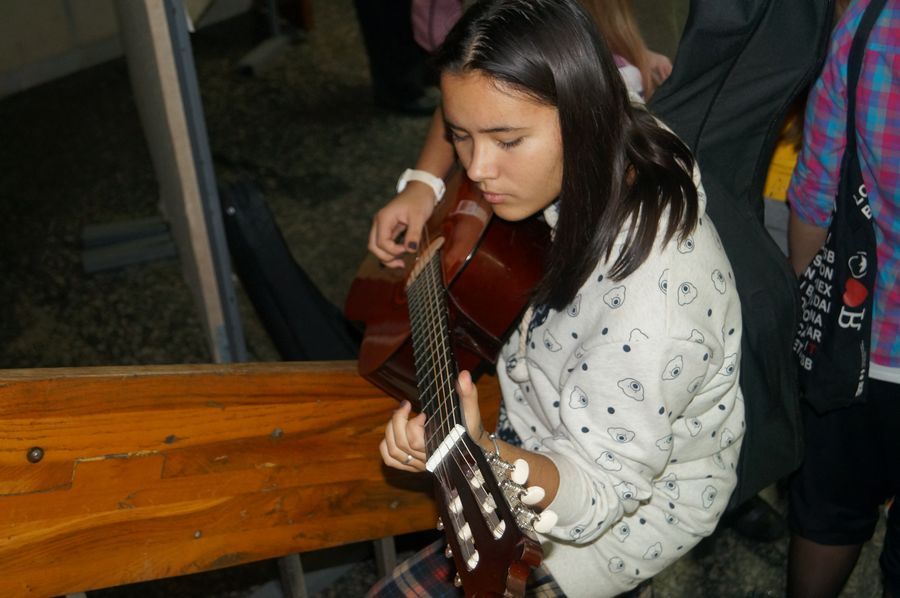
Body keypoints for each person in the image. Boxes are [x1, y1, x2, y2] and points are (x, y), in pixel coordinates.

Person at [367, 1, 745, 595]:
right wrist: (424, 184)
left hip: (618, 525)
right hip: (544, 409)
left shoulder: (652, 309)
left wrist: (481, 452)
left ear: (585, 117)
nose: (478, 169)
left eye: (508, 140)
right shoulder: (610, 126)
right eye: (462, 136)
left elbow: (597, 494)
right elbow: (476, 110)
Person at [785, 0, 899, 596]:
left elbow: (815, 193)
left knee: (830, 510)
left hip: (858, 344)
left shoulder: (870, 23)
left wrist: (808, 295)